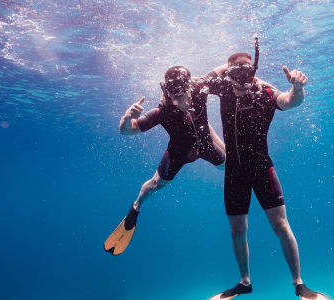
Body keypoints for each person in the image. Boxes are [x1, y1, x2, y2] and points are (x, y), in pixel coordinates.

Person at [204, 40, 320, 299]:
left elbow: (290, 101)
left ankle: (299, 284)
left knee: (281, 226)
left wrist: (297, 87)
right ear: (228, 75)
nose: (241, 79)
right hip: (234, 170)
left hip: (261, 166)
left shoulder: (264, 92)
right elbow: (200, 81)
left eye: (247, 71)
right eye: (235, 73)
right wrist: (229, 66)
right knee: (237, 230)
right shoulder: (223, 88)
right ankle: (244, 283)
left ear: (254, 71)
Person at [104, 66, 226, 256]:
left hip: (205, 146)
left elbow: (224, 68)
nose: (176, 98)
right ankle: (135, 207)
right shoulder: (163, 111)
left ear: (188, 85)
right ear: (166, 90)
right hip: (178, 153)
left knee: (229, 165)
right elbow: (126, 131)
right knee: (154, 184)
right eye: (172, 93)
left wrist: (247, 73)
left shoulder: (200, 87)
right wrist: (127, 118)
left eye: (181, 92)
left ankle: (222, 146)